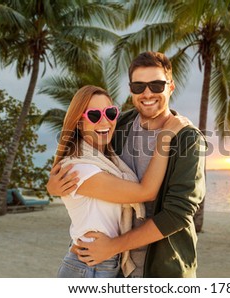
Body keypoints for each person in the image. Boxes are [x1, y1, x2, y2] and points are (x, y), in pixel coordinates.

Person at [47, 51, 206, 278]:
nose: (147, 93)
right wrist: (55, 186)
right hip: (118, 266)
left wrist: (114, 246)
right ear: (131, 90)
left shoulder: (187, 138)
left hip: (162, 268)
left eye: (157, 85)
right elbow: (87, 156)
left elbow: (178, 214)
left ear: (171, 87)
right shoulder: (120, 124)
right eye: (139, 86)